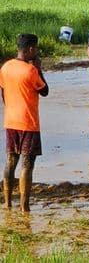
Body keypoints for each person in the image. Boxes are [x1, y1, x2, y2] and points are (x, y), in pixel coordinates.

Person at [0, 34, 49, 212]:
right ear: (29, 49)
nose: (36, 51)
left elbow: (3, 93)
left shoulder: (5, 67)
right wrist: (39, 68)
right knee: (27, 165)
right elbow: (45, 91)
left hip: (10, 121)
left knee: (10, 162)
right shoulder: (31, 71)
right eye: (35, 48)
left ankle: (7, 203)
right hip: (28, 122)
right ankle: (24, 206)